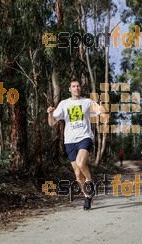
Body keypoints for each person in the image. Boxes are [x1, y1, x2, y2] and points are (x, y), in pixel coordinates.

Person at [47, 78, 107, 210]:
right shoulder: (64, 104)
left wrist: (102, 108)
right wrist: (50, 113)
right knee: (77, 173)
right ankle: (87, 197)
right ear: (70, 89)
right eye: (73, 86)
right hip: (69, 141)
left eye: (78, 86)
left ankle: (90, 182)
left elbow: (102, 113)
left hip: (85, 137)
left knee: (81, 164)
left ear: (80, 88)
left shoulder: (87, 102)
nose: (76, 88)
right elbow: (52, 123)